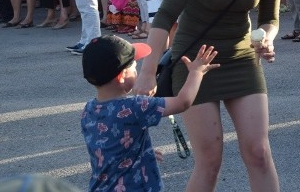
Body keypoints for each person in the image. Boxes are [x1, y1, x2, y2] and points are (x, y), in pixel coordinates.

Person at [134, 0, 283, 192]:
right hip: (193, 63)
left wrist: (267, 38)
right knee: (210, 159)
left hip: (241, 60)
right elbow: (165, 15)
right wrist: (147, 73)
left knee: (258, 152)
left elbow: (270, 20)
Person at [81, 35, 219, 192]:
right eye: (134, 67)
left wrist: (133, 150)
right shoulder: (136, 106)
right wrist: (196, 72)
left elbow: (105, 146)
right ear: (122, 76)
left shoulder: (88, 110)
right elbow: (183, 102)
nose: (136, 71)